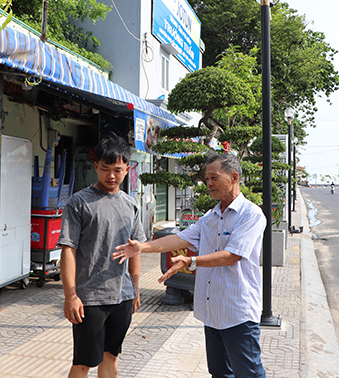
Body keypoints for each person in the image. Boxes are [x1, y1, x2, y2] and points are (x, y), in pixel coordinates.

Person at [113, 153, 267, 378]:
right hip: (213, 312)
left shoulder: (251, 215)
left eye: (214, 177)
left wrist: (191, 261)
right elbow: (179, 239)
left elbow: (232, 255)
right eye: (207, 178)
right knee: (220, 373)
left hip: (238, 312)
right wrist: (142, 248)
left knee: (249, 373)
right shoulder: (210, 217)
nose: (209, 183)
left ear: (234, 177)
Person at [58, 136, 145, 378]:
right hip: (89, 299)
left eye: (117, 170)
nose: (111, 176)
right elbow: (68, 250)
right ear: (95, 166)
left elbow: (136, 248)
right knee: (84, 363)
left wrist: (135, 288)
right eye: (105, 169)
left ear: (127, 169)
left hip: (122, 297)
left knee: (111, 357)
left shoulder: (130, 204)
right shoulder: (79, 203)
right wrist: (71, 296)